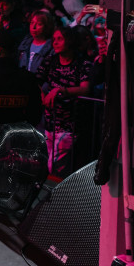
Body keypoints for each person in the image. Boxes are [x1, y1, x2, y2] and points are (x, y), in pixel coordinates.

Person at [35, 26, 92, 178]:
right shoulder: (50, 60)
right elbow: (36, 80)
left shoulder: (83, 63)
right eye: (54, 39)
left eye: (60, 39)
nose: (55, 42)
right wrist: (42, 95)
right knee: (49, 162)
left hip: (69, 125)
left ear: (70, 40)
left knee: (54, 165)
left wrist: (60, 90)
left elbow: (85, 89)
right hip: (49, 121)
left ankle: (54, 191)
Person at [18, 9, 55, 74]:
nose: (33, 27)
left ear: (47, 27)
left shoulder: (52, 47)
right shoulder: (25, 43)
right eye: (32, 23)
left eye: (39, 24)